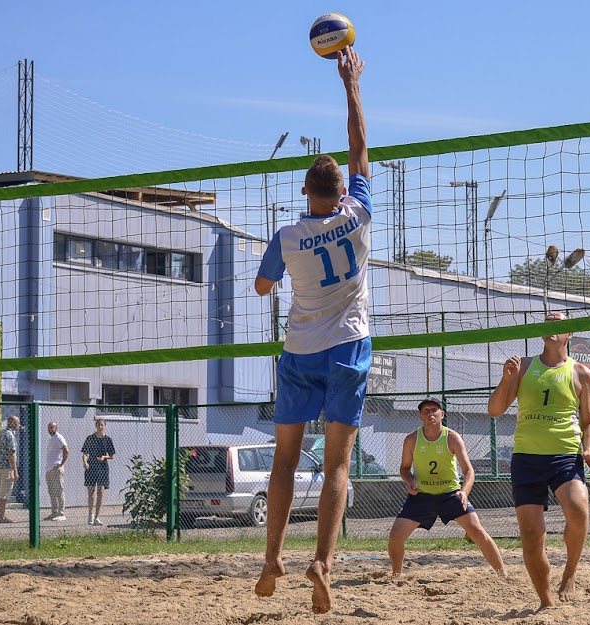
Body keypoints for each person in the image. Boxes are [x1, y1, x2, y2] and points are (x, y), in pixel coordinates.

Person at [252, 46, 371, 615]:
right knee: (338, 465)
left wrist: (288, 274)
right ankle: (322, 563)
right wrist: (350, 83)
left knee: (283, 462)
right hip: (347, 345)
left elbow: (259, 287)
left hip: (299, 349)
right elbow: (360, 146)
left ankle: (272, 556)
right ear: (341, 192)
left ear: (304, 190)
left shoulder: (287, 236)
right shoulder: (359, 216)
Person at [487, 311, 590, 610]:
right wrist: (505, 379)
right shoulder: (522, 366)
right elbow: (495, 410)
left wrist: (588, 449)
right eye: (547, 323)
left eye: (558, 323)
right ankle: (546, 601)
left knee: (578, 511)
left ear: (570, 333)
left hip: (565, 454)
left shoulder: (581, 373)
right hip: (527, 457)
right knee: (532, 536)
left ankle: (570, 572)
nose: (551, 328)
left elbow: (589, 421)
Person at [388, 398, 506, 578]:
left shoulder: (452, 437)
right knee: (395, 536)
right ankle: (397, 576)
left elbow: (469, 471)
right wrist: (410, 481)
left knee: (477, 531)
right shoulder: (412, 439)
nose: (430, 413)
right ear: (420, 416)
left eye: (434, 410)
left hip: (451, 494)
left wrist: (464, 492)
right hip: (422, 495)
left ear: (442, 414)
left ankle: (503, 575)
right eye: (425, 411)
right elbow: (404, 469)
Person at [81, 418, 115, 526]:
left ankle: (97, 517)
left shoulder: (108, 439)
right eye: (98, 425)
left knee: (101, 492)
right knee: (91, 492)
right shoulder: (90, 438)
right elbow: (85, 453)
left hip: (102, 467)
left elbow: (112, 455)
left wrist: (105, 457)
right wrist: (85, 462)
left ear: (105, 426)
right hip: (91, 466)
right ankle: (90, 515)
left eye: (102, 425)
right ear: (96, 426)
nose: (100, 427)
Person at [0, 415, 20, 524]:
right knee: (4, 493)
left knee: (0, 492)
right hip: (7, 468)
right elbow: (11, 454)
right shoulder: (10, 435)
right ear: (12, 423)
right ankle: (1, 517)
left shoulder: (0, 433)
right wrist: (15, 470)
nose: (19, 425)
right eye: (17, 423)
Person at [44, 421, 69, 521]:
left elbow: (66, 450)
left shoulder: (59, 437)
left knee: (59, 491)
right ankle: (54, 512)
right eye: (49, 427)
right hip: (49, 469)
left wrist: (61, 464)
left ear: (56, 428)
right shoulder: (51, 439)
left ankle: (61, 513)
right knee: (51, 492)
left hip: (56, 468)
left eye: (52, 427)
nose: (50, 429)